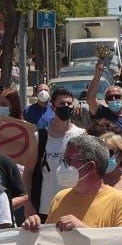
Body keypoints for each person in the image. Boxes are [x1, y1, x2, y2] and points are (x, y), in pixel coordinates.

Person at [33, 89, 86, 219]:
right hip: (47, 207)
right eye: (62, 104)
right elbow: (29, 171)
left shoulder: (81, 135)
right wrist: (29, 203)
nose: (66, 107)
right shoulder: (40, 137)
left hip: (75, 206)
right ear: (53, 107)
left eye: (69, 104)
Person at [87, 61, 122, 144]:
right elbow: (90, 99)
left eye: (117, 96)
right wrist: (97, 76)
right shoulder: (101, 112)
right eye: (110, 97)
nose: (114, 99)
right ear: (106, 100)